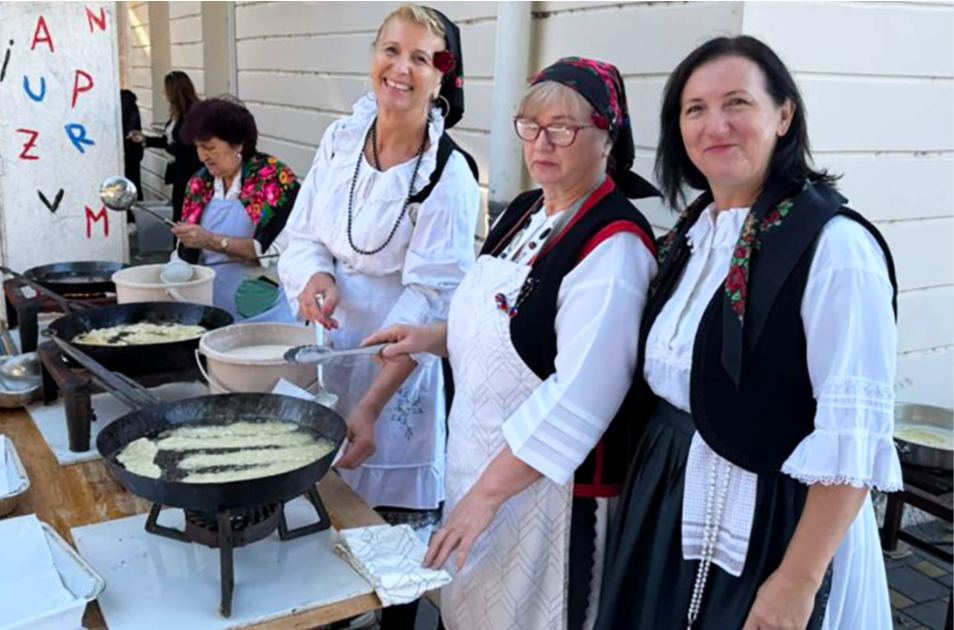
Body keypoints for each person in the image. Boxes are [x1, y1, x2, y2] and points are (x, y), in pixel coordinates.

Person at [594, 36, 901, 630]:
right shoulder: (690, 238)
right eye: (695, 109)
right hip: (666, 500)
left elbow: (855, 435)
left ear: (784, 115)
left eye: (737, 102)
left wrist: (797, 580)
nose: (717, 125)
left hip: (774, 522)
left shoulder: (836, 249)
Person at [365, 57, 660, 630]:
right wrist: (431, 338)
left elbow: (581, 396)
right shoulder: (527, 210)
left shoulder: (614, 247)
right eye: (531, 124)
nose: (542, 142)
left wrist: (485, 498)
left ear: (607, 138)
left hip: (545, 495)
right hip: (476, 463)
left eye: (564, 128)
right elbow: (509, 328)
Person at [278, 5, 479, 628]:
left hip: (397, 378)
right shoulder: (341, 140)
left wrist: (370, 406)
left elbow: (429, 301)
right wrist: (316, 276)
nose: (401, 68)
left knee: (390, 562)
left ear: (442, 77)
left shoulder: (449, 175)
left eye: (421, 58)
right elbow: (306, 232)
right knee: (320, 536)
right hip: (329, 350)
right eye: (391, 50)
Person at [173, 97, 300, 323]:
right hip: (214, 300)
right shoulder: (200, 184)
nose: (203, 157)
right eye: (199, 148)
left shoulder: (273, 180)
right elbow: (187, 253)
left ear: (238, 144)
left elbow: (265, 252)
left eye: (210, 147)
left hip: (263, 302)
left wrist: (209, 240)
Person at [129, 71, 203, 222]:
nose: (164, 93)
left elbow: (184, 145)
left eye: (167, 90)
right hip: (179, 172)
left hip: (190, 172)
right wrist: (145, 139)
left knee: (185, 214)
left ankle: (185, 244)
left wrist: (170, 148)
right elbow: (167, 140)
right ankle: (180, 243)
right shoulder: (178, 113)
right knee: (178, 212)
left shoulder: (192, 114)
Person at [120, 89, 144, 203]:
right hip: (133, 152)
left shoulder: (123, 105)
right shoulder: (132, 106)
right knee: (135, 185)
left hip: (127, 152)